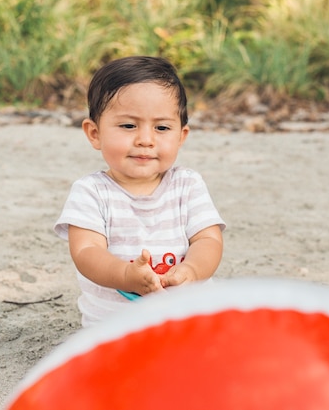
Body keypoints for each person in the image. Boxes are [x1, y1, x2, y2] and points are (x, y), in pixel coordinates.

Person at [54, 56, 225, 327]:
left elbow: (209, 240)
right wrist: (125, 275)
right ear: (95, 133)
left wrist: (191, 270)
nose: (145, 140)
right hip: (115, 328)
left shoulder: (188, 185)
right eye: (128, 126)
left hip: (187, 320)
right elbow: (86, 251)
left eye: (162, 128)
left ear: (181, 135)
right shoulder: (91, 192)